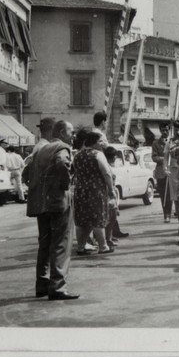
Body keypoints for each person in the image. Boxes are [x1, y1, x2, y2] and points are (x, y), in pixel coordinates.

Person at [25, 120, 79, 300]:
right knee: (61, 244)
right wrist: (64, 185)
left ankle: (42, 283)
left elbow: (27, 172)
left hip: (42, 203)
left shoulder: (41, 149)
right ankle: (57, 286)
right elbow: (63, 163)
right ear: (63, 132)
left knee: (45, 244)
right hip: (58, 202)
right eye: (71, 132)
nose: (73, 136)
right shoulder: (61, 148)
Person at [73, 131, 114, 255]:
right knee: (97, 218)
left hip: (80, 191)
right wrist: (111, 190)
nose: (102, 144)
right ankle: (103, 246)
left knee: (83, 220)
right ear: (95, 142)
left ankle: (80, 247)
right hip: (96, 190)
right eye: (100, 141)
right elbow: (107, 173)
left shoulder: (78, 155)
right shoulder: (98, 154)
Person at [151, 123, 173, 223]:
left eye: (166, 130)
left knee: (170, 194)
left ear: (169, 131)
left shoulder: (173, 142)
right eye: (163, 130)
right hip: (161, 172)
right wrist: (164, 159)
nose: (165, 132)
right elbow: (154, 157)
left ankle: (170, 213)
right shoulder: (156, 143)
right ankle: (166, 214)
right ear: (160, 131)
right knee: (163, 195)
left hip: (171, 171)